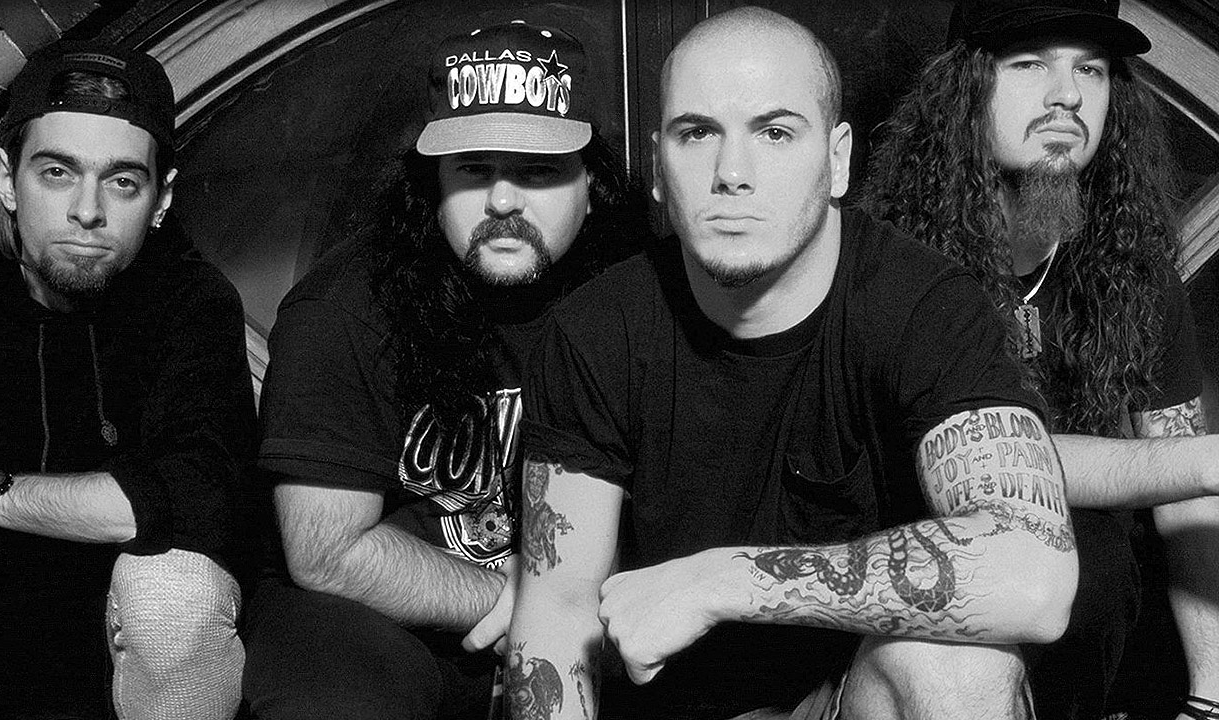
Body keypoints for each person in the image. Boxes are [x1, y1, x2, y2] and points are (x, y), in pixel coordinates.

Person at [509, 7, 1080, 720]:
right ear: (658, 166)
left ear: (837, 160)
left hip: (847, 699)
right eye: (697, 133)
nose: (732, 174)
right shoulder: (596, 331)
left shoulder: (921, 305)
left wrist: (720, 582)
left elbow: (1035, 576)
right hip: (668, 705)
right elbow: (558, 613)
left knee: (961, 665)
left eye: (775, 133)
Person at [241, 19, 646, 719]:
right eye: (474, 169)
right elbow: (326, 552)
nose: (502, 201)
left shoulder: (639, 301)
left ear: (593, 183)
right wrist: (525, 603)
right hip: (380, 622)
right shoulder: (343, 309)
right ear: (431, 182)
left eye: (538, 170)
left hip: (586, 612)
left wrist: (567, 611)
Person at [862, 1, 1219, 718]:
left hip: (1100, 661)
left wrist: (1210, 695)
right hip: (937, 649)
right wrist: (1194, 463)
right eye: (1030, 64)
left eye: (1091, 69)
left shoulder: (1134, 267)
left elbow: (1186, 499)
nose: (1067, 95)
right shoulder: (891, 264)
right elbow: (978, 461)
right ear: (964, 89)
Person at [0, 39, 256, 719]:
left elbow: (196, 496)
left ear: (161, 198)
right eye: (57, 172)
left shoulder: (192, 303)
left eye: (122, 182)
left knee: (175, 594)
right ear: (7, 180)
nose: (88, 210)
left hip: (131, 659)